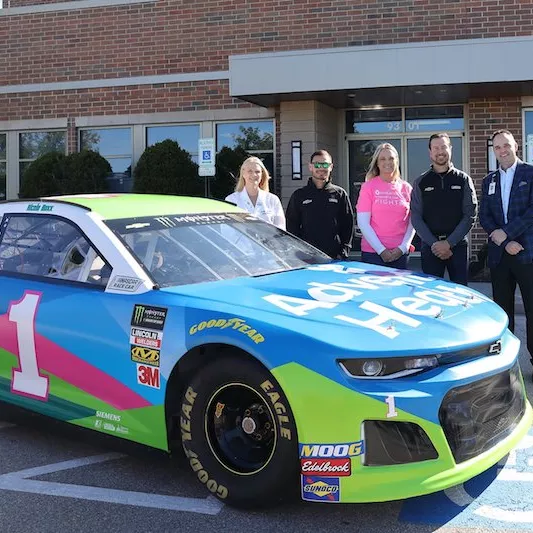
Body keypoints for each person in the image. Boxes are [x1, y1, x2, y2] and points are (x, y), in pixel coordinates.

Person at [480, 129, 533, 378]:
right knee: (502, 311)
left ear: (516, 147)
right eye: (497, 147)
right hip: (500, 257)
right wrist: (502, 241)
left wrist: (508, 235)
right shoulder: (488, 181)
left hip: (526, 253)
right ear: (494, 151)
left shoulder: (530, 174)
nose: (502, 150)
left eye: (506, 145)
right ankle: (505, 364)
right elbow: (485, 216)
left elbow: (531, 212)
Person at [410, 133, 478, 285]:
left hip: (457, 246)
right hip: (430, 247)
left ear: (450, 149)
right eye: (436, 148)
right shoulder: (421, 182)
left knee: (460, 293)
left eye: (443, 147)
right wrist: (435, 244)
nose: (440, 151)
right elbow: (416, 216)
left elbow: (470, 214)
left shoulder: (463, 179)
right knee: (430, 294)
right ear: (430, 152)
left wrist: (449, 243)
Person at [355, 143, 415, 269]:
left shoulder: (407, 188)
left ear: (397, 161)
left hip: (400, 254)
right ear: (377, 163)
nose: (387, 162)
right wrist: (381, 250)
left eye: (391, 158)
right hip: (373, 254)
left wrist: (403, 247)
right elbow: (363, 223)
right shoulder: (368, 187)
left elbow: (412, 222)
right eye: (383, 159)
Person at [286, 149, 354, 259]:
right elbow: (291, 227)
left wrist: (343, 252)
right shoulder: (299, 195)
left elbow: (348, 226)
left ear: (331, 167)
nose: (321, 168)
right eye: (317, 164)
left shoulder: (339, 194)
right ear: (310, 167)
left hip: (334, 258)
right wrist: (298, 253)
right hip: (306, 258)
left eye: (325, 164)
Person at [225, 156, 286, 230]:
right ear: (243, 174)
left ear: (262, 175)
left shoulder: (272, 200)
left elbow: (281, 230)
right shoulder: (231, 200)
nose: (254, 175)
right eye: (250, 171)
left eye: (257, 172)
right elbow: (227, 230)